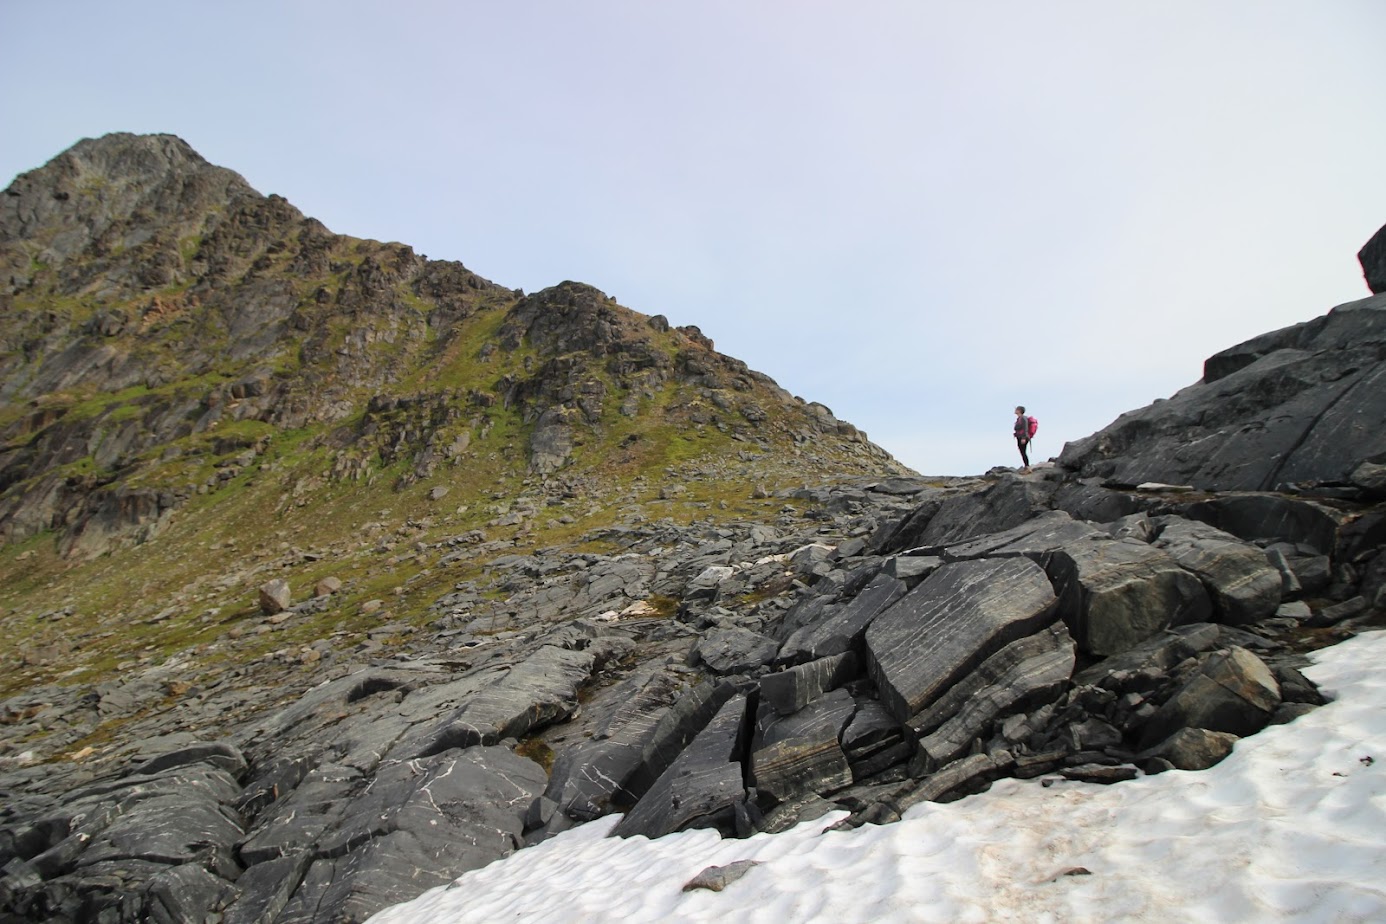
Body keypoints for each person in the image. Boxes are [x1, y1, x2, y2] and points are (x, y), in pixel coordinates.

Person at [1013, 406, 1031, 473]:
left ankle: (1027, 467)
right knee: (1022, 452)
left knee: (1023, 452)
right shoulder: (1019, 418)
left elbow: (1025, 428)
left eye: (1016, 409)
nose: (1015, 410)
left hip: (1023, 437)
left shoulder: (1023, 418)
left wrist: (1023, 438)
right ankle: (1026, 467)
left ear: (1019, 410)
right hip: (1019, 437)